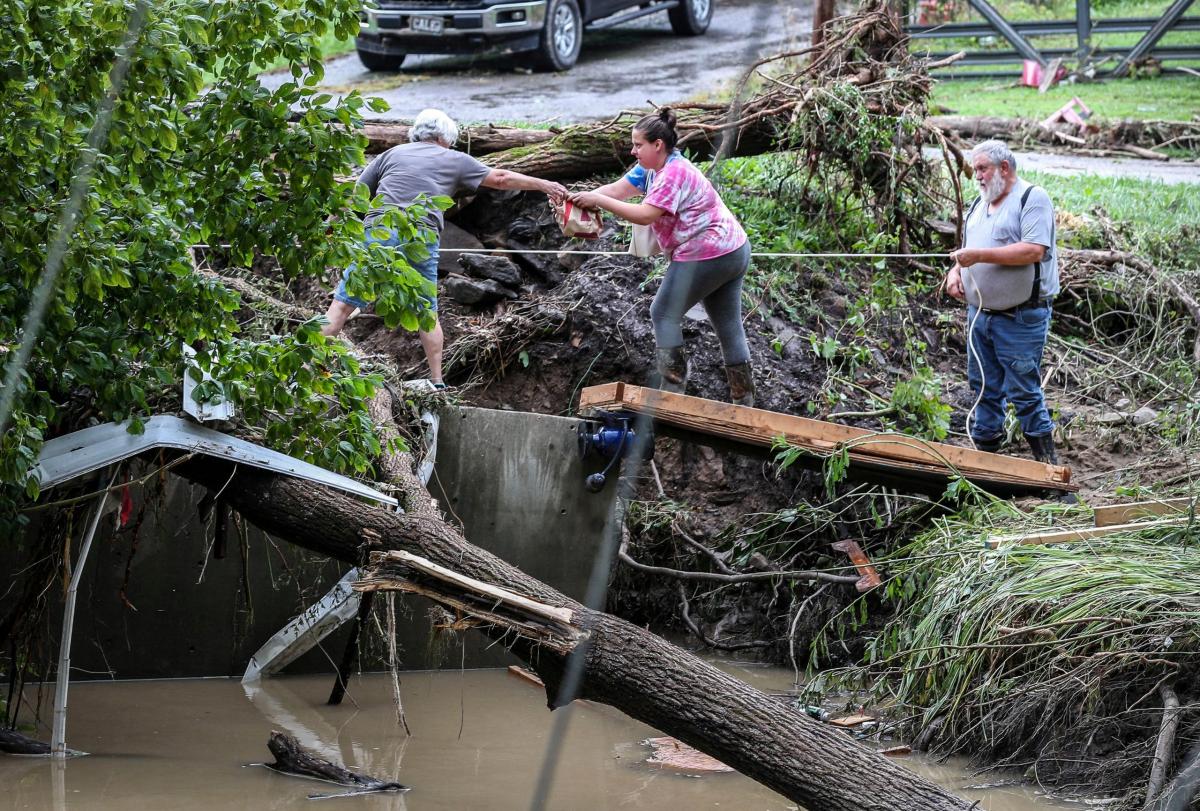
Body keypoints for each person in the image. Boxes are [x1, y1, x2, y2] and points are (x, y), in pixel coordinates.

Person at [321, 108, 567, 387]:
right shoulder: (454, 158)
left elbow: (359, 196)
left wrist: (349, 235)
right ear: (443, 137)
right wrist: (544, 184)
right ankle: (437, 382)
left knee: (341, 306)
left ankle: (308, 364)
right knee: (426, 313)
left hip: (379, 230)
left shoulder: (391, 155)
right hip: (420, 236)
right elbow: (499, 179)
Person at [569, 108, 755, 406]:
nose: (633, 151)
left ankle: (672, 393)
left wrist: (598, 200)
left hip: (710, 252)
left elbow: (645, 215)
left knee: (663, 312)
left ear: (658, 145)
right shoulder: (651, 169)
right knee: (729, 326)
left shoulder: (673, 173)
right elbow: (617, 190)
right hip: (733, 248)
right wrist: (578, 201)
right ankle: (744, 404)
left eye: (638, 145)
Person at [945, 139, 1062, 464]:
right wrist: (956, 271)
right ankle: (986, 462)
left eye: (982, 168)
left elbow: (1033, 250)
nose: (977, 176)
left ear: (1004, 168)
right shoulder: (980, 204)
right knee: (982, 385)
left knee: (1023, 392)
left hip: (1021, 317)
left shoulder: (1031, 198)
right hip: (981, 314)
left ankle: (1048, 468)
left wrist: (977, 256)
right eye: (976, 170)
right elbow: (968, 248)